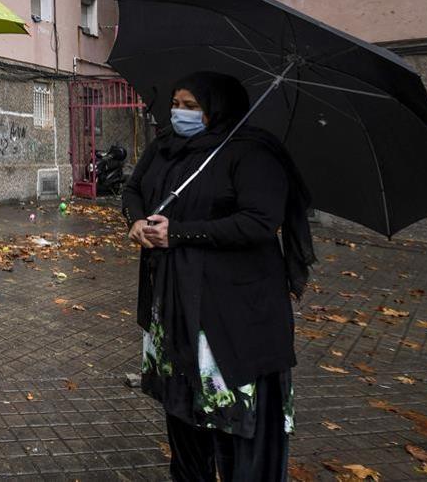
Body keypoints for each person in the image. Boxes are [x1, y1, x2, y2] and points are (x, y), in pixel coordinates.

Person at [121, 71, 315, 482]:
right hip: (175, 304)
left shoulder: (252, 153)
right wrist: (136, 220)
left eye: (192, 107)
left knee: (235, 425)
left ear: (218, 109)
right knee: (184, 415)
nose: (179, 113)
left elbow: (260, 222)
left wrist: (179, 232)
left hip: (233, 315)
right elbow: (134, 188)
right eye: (176, 103)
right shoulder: (165, 147)